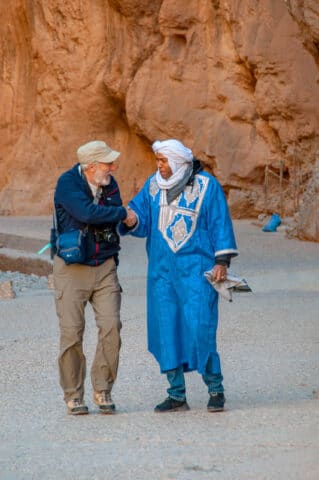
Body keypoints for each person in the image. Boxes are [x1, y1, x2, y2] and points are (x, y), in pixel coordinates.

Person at [120, 139, 238, 413]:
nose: (159, 166)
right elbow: (140, 217)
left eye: (163, 161)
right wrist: (130, 218)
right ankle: (176, 394)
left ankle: (215, 389)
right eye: (158, 161)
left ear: (177, 161)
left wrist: (222, 261)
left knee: (200, 328)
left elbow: (220, 223)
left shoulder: (207, 186)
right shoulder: (152, 186)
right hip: (162, 274)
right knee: (166, 328)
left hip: (197, 271)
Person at [52, 140, 135, 415]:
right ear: (90, 167)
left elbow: (106, 217)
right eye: (107, 163)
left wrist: (114, 214)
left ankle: (103, 390)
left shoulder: (109, 183)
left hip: (105, 266)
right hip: (71, 269)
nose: (112, 167)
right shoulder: (67, 184)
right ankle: (74, 394)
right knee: (72, 334)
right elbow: (88, 213)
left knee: (112, 328)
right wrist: (121, 213)